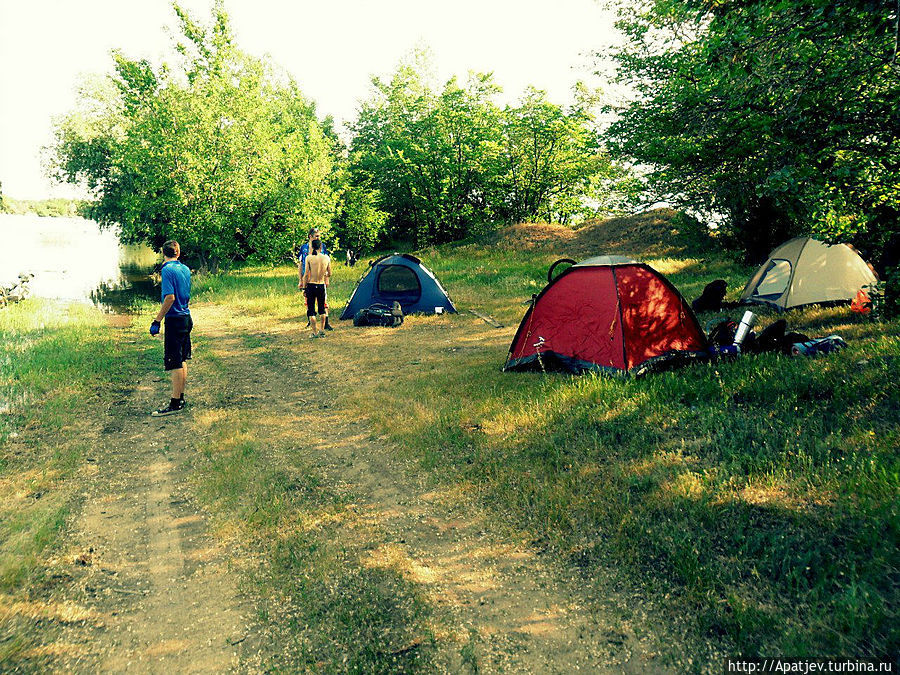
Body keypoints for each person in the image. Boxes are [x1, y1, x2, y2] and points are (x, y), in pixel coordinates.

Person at [149, 240, 192, 416]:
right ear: (178, 253)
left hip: (174, 320)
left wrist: (157, 320)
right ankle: (180, 398)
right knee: (182, 359)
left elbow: (170, 298)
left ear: (163, 253)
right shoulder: (185, 269)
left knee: (175, 362)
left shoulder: (167, 270)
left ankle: (175, 403)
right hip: (186, 318)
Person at [297, 228, 333, 330]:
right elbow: (301, 264)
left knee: (323, 301)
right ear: (310, 236)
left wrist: (327, 279)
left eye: (319, 236)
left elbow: (326, 264)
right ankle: (311, 322)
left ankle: (326, 323)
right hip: (307, 278)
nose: (318, 238)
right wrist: (301, 280)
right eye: (317, 236)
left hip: (319, 277)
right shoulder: (304, 248)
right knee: (309, 302)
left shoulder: (322, 246)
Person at [303, 238, 331, 337]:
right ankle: (322, 330)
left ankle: (314, 332)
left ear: (312, 247)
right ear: (321, 247)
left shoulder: (309, 258)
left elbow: (306, 274)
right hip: (321, 285)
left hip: (311, 285)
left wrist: (304, 287)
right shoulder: (326, 258)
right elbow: (329, 273)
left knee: (311, 310)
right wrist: (324, 273)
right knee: (322, 309)